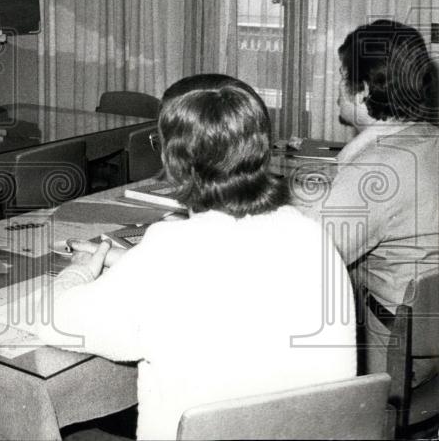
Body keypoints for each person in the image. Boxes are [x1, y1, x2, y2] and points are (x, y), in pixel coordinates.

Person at [37, 78, 356, 440]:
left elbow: (58, 320)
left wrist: (79, 271)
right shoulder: (310, 235)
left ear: (173, 160)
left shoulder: (170, 251)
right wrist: (133, 263)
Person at [294, 19, 439, 380]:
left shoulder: (378, 170)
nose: (337, 87)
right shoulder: (426, 139)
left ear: (361, 90)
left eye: (342, 76)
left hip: (397, 357)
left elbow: (304, 261)